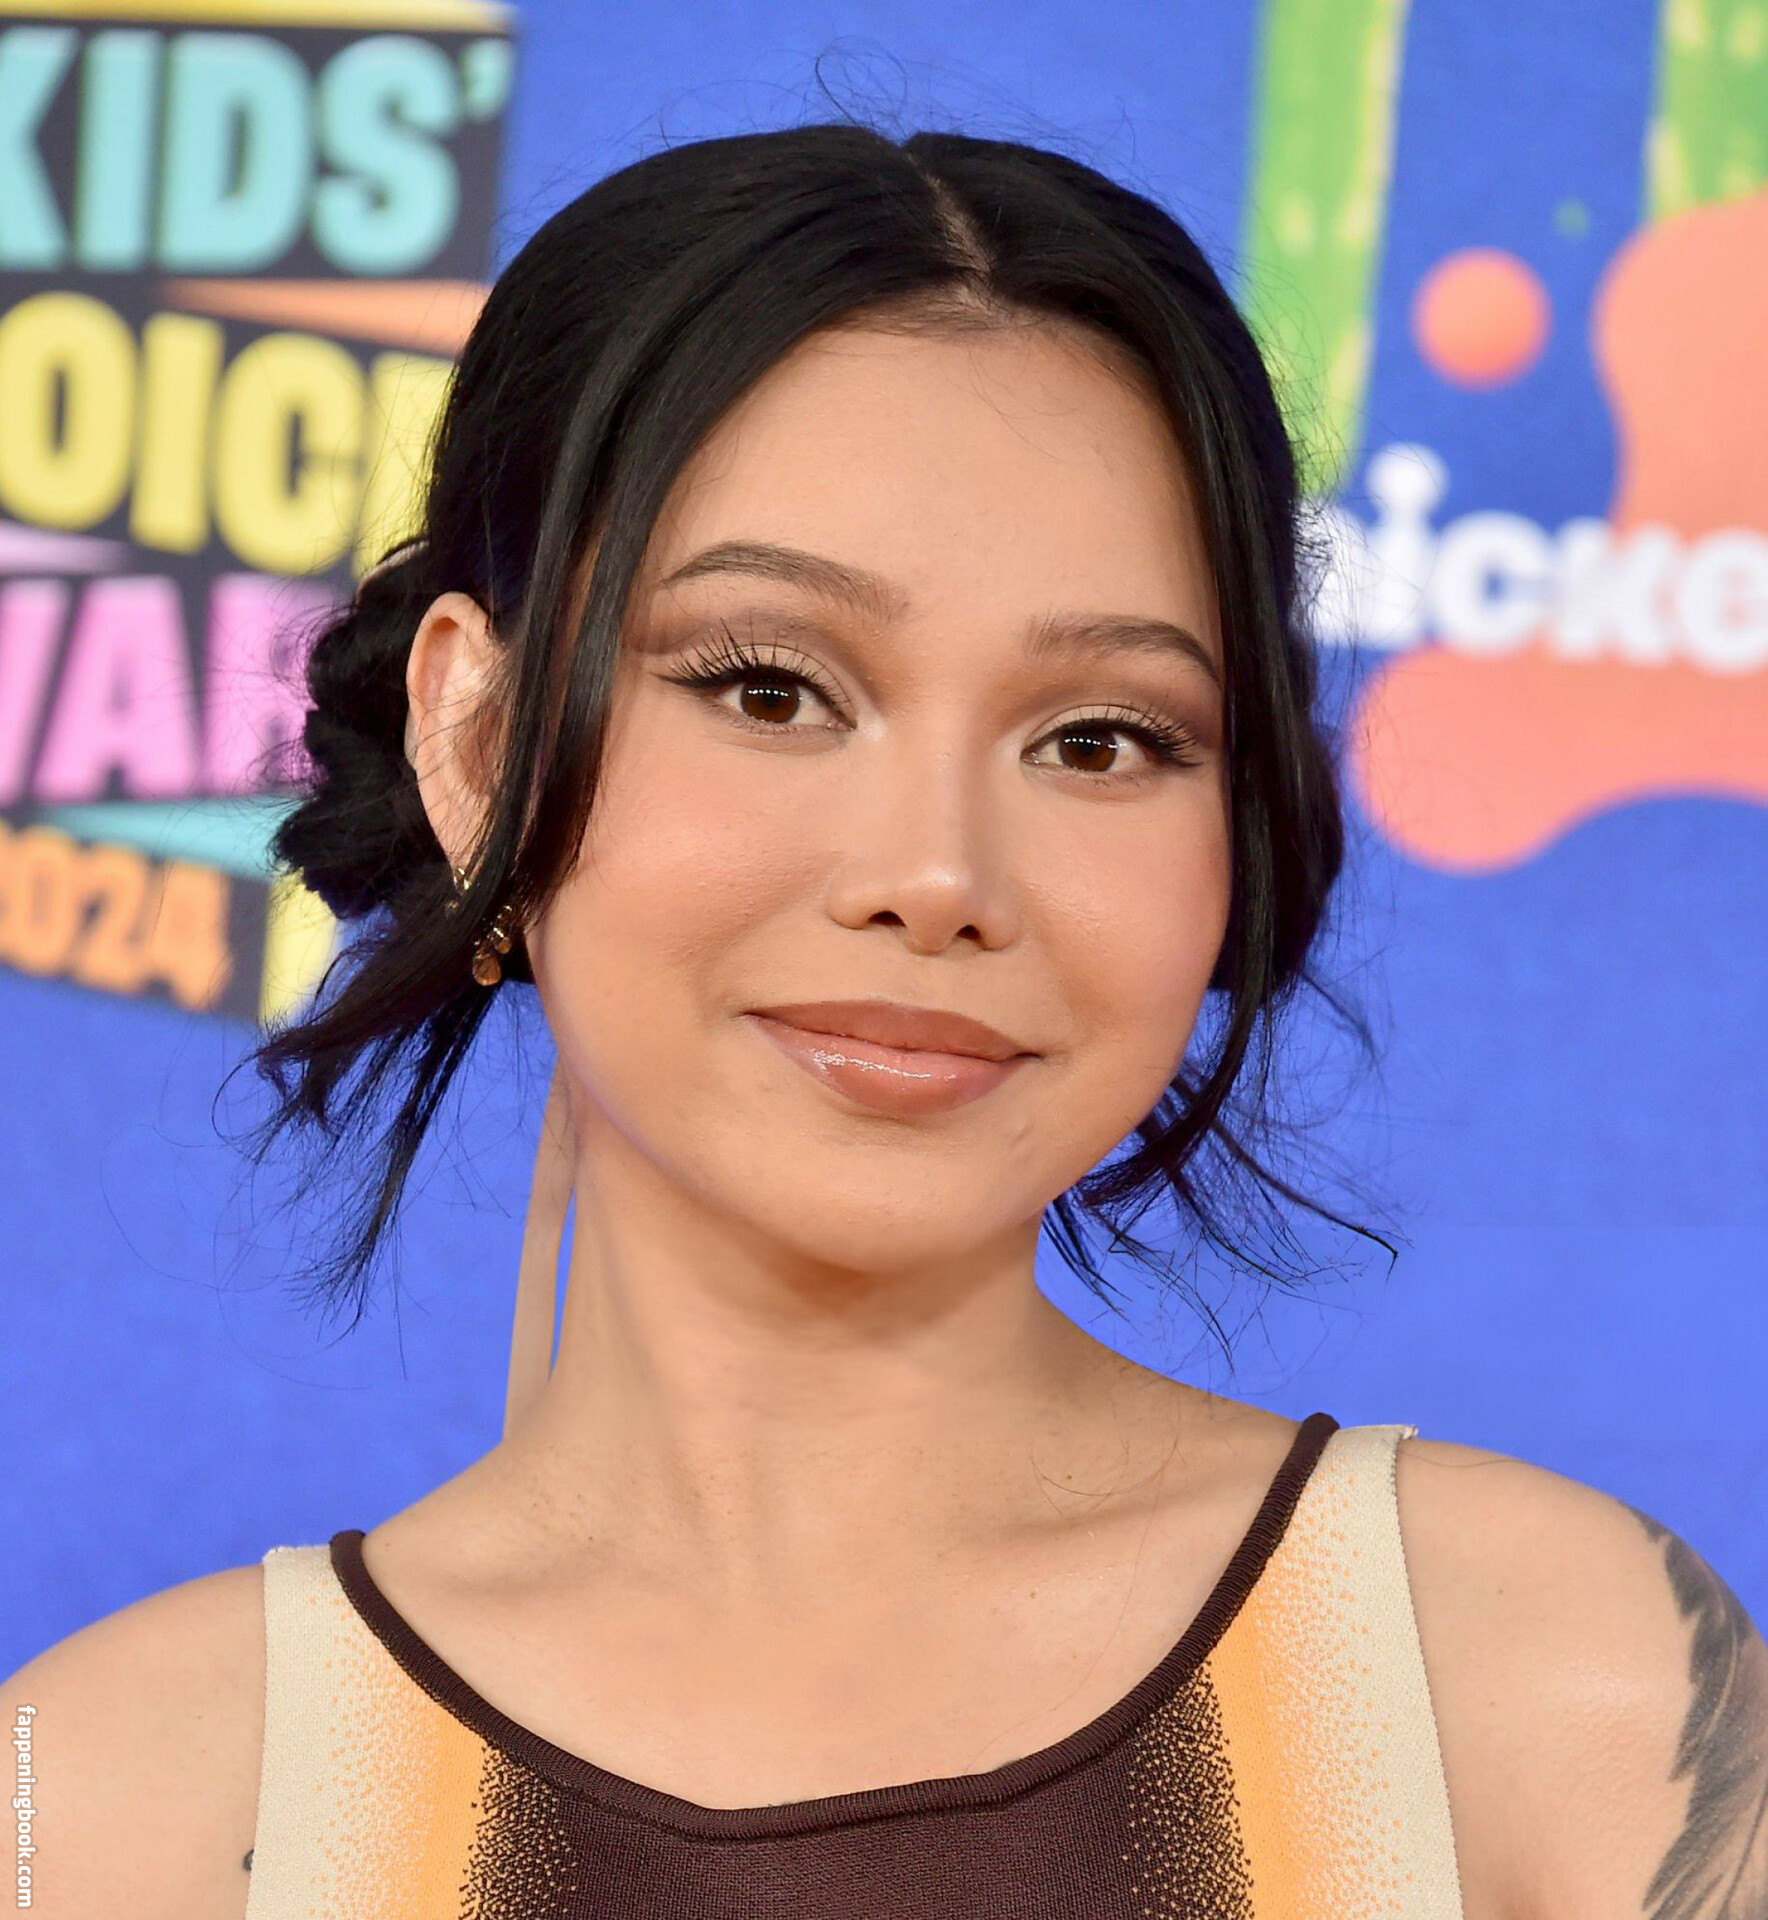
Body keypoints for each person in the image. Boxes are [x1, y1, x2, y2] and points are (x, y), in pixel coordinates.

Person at [10, 121, 1765, 1920]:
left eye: (1101, 738)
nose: (938, 875)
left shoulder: (1555, 1695)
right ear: (476, 740)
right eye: (771, 689)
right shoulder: (108, 1811)